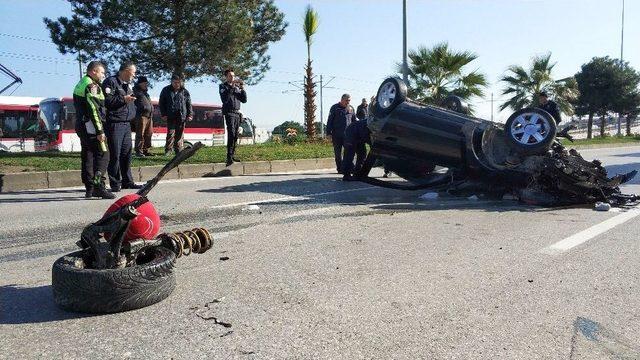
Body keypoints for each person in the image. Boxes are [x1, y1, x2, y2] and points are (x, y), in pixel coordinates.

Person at [72, 60, 115, 199]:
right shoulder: (91, 86)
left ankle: (89, 188)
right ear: (94, 71)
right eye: (102, 72)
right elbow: (94, 110)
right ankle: (99, 186)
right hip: (91, 126)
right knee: (103, 154)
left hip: (82, 125)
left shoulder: (81, 82)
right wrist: (100, 131)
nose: (103, 75)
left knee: (88, 156)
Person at [102, 61, 142, 192]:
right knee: (115, 154)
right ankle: (115, 183)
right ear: (125, 70)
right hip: (114, 124)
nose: (134, 75)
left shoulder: (127, 85)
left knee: (126, 154)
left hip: (126, 124)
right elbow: (107, 101)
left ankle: (127, 181)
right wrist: (123, 99)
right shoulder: (111, 82)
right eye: (133, 72)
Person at [159, 74, 193, 156]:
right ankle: (168, 150)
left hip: (182, 116)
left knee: (180, 134)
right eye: (175, 82)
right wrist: (163, 114)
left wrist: (190, 114)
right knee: (171, 133)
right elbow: (161, 103)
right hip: (170, 115)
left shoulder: (185, 91)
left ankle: (178, 150)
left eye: (179, 82)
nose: (177, 84)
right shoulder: (166, 90)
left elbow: (189, 104)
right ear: (171, 82)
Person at [219, 69, 247, 166]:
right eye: (230, 76)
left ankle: (233, 155)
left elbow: (244, 100)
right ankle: (229, 157)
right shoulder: (223, 86)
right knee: (231, 134)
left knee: (235, 135)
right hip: (229, 113)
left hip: (237, 113)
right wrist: (231, 87)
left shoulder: (237, 87)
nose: (233, 78)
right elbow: (225, 99)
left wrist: (242, 88)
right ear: (226, 77)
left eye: (233, 76)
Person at [326, 94, 357, 173]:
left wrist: (356, 132)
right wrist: (328, 133)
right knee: (338, 153)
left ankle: (350, 168)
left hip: (348, 135)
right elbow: (330, 121)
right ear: (342, 100)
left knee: (349, 152)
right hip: (337, 135)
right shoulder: (335, 108)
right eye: (347, 100)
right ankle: (340, 169)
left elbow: (354, 121)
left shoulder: (351, 108)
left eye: (349, 100)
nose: (348, 102)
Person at [133, 75, 154, 157]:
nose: (146, 85)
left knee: (149, 134)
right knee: (140, 134)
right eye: (144, 83)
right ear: (140, 83)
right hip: (141, 115)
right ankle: (139, 151)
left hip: (149, 116)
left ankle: (146, 150)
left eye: (146, 83)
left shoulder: (146, 93)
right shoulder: (136, 91)